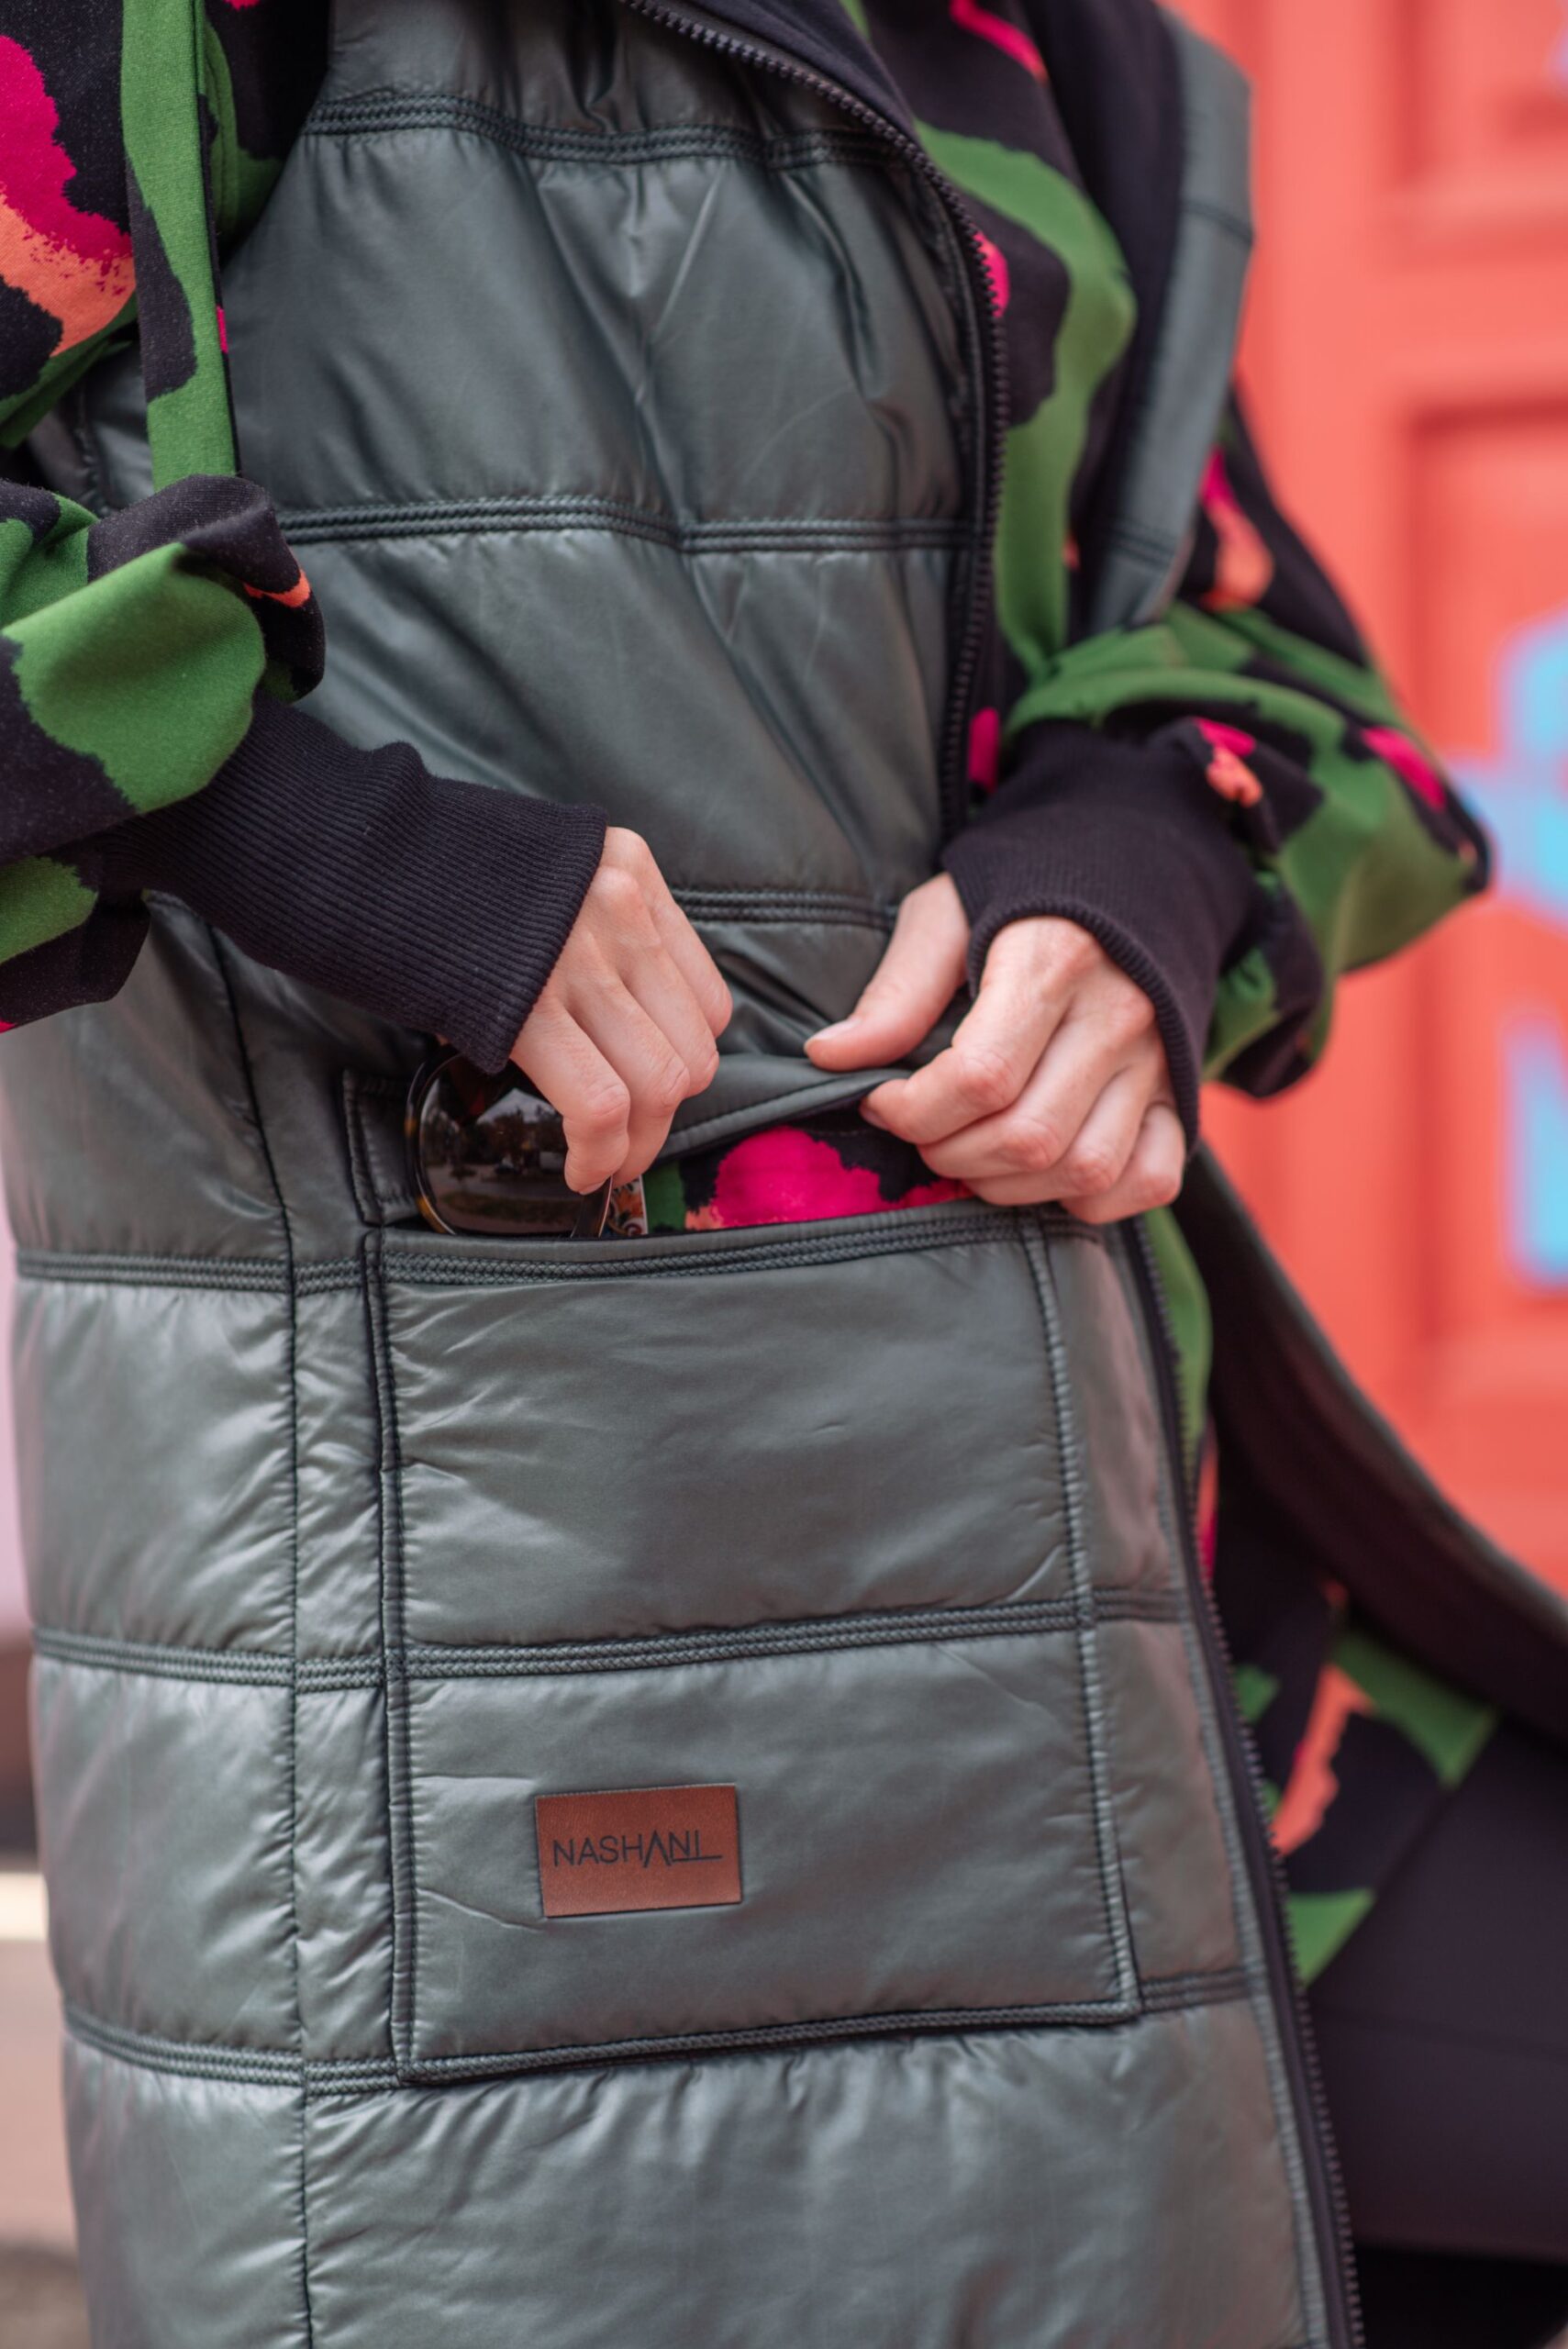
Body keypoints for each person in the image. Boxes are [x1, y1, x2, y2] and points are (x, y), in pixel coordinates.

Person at [0, 3, 1563, 2343]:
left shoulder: (1074, 55)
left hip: (1119, 1537)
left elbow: (1268, 664)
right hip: (514, 1599)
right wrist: (351, 848)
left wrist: (1146, 865)